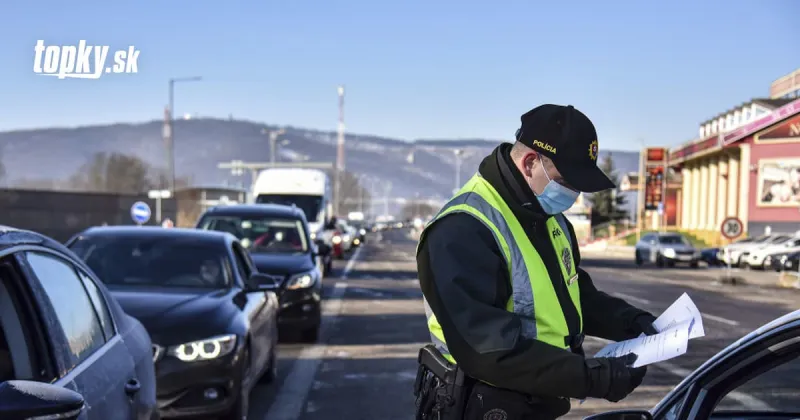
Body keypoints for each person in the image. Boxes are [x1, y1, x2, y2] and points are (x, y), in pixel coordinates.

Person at [415, 104, 661, 420]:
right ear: (531, 162)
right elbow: (486, 347)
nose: (573, 194)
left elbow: (573, 297)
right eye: (567, 181)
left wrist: (631, 322)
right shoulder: (463, 228)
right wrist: (592, 377)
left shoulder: (548, 219)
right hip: (480, 407)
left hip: (536, 404)